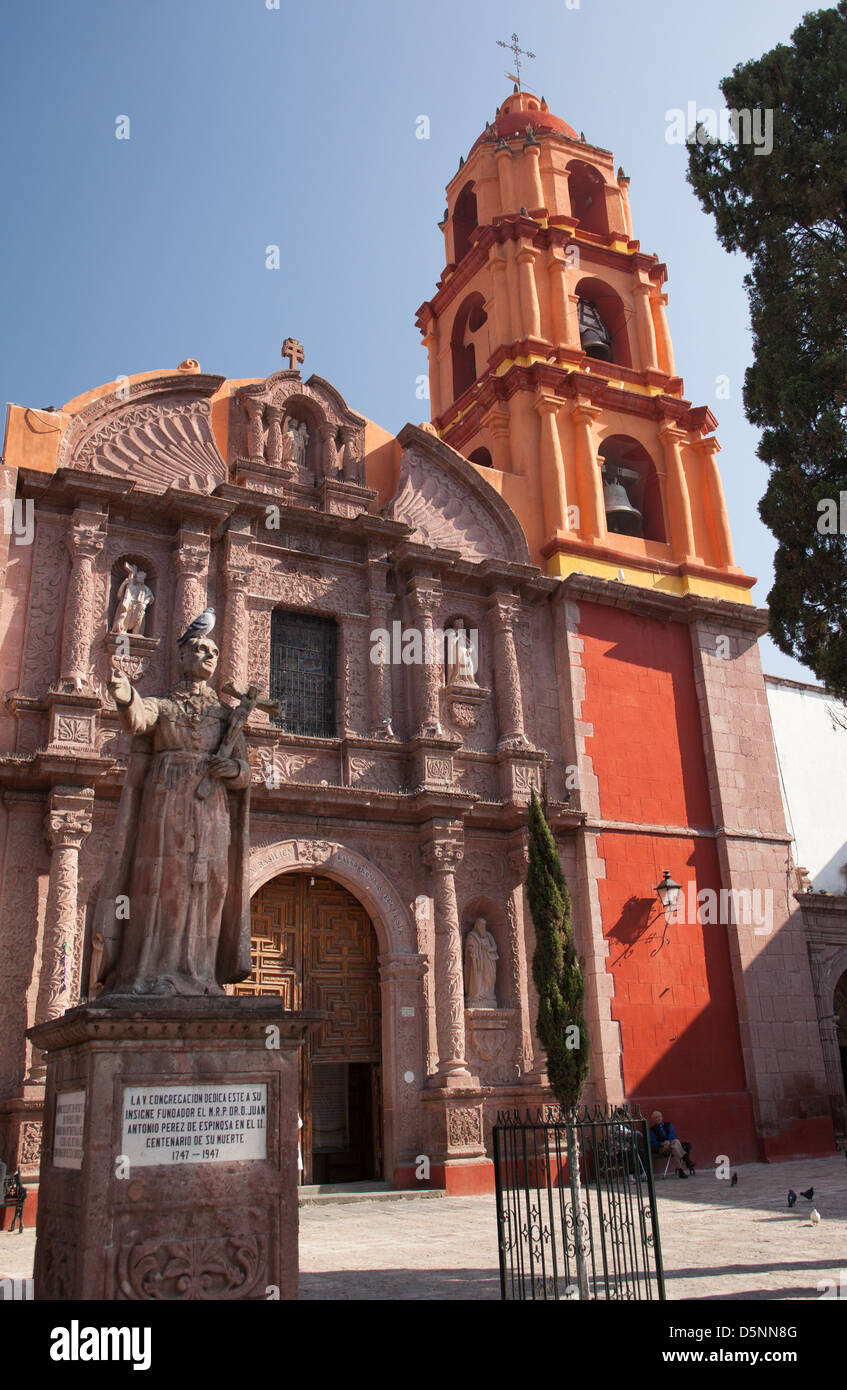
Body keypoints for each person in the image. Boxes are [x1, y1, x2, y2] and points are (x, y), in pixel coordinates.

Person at [92, 633, 252, 996]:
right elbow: (137, 720)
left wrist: (232, 772)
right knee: (164, 883)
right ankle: (152, 974)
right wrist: (124, 694)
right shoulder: (163, 704)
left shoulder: (228, 716)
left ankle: (203, 976)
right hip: (166, 804)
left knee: (210, 886)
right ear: (181, 658)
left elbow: (244, 771)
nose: (207, 655)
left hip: (212, 807)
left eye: (213, 651)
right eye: (198, 649)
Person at [649, 1110, 694, 1177]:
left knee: (675, 1144)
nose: (658, 1118)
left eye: (659, 1116)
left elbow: (673, 1135)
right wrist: (662, 1143)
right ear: (653, 1120)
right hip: (662, 1148)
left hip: (671, 1145)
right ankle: (686, 1158)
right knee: (676, 1143)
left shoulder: (669, 1125)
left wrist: (668, 1142)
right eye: (656, 1118)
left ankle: (680, 1171)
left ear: (662, 1117)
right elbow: (652, 1142)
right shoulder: (652, 1130)